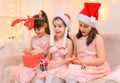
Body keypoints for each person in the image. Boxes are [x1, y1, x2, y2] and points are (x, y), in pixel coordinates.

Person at [66, 2, 111, 83]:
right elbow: (74, 54)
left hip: (93, 67)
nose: (82, 29)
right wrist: (73, 59)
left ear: (92, 26)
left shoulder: (97, 38)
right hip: (79, 65)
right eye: (80, 25)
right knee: (70, 78)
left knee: (80, 78)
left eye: (86, 26)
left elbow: (101, 60)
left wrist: (82, 61)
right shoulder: (76, 38)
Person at [11, 10, 50, 83]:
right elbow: (30, 52)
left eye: (39, 29)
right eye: (34, 29)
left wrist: (41, 51)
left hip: (42, 62)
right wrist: (27, 52)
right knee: (19, 72)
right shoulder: (33, 38)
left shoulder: (49, 38)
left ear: (45, 25)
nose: (36, 31)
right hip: (32, 62)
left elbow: (51, 54)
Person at [36, 14, 73, 83]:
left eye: (60, 26)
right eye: (55, 26)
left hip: (61, 65)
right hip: (52, 64)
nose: (56, 28)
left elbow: (67, 60)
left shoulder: (69, 42)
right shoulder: (52, 40)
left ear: (66, 28)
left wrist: (55, 66)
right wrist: (44, 64)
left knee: (50, 79)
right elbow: (48, 57)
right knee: (39, 78)